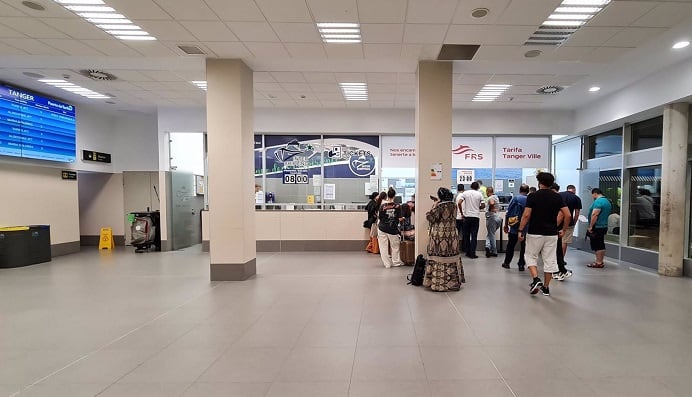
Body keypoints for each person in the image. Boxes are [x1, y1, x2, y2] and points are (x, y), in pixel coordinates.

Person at [518, 172, 571, 297]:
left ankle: (536, 279)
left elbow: (526, 215)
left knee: (530, 256)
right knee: (550, 260)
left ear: (539, 183)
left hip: (535, 232)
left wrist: (520, 230)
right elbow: (567, 214)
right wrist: (563, 229)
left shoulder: (532, 196)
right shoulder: (557, 197)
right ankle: (546, 288)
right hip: (552, 233)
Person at [423, 187, 465, 291]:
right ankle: (453, 283)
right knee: (452, 258)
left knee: (438, 258)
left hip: (439, 236)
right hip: (452, 236)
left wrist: (434, 205)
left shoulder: (440, 206)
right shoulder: (454, 205)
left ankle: (438, 283)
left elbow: (431, 217)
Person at [501, 184, 529, 270]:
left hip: (514, 226)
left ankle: (507, 262)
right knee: (524, 247)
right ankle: (521, 264)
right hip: (526, 227)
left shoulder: (515, 198)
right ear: (527, 191)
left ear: (519, 190)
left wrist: (506, 225)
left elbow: (508, 212)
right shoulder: (529, 199)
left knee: (511, 245)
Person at [377, 187, 404, 268]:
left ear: (387, 196)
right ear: (394, 196)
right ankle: (396, 262)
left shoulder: (382, 206)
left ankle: (387, 264)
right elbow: (399, 218)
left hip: (382, 228)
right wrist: (402, 218)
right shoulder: (397, 206)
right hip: (392, 229)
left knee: (383, 247)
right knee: (395, 246)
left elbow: (380, 217)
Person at [558, 184, 582, 277]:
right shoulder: (576, 198)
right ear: (574, 190)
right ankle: (561, 260)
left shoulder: (559, 195)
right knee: (565, 241)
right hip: (568, 223)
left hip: (557, 222)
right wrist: (574, 222)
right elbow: (577, 213)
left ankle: (555, 259)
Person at [586, 188, 611, 268]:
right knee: (601, 243)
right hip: (604, 225)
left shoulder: (598, 201)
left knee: (597, 245)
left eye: (592, 195)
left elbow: (594, 214)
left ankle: (598, 262)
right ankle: (600, 261)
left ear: (595, 194)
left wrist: (591, 226)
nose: (592, 197)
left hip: (597, 226)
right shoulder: (607, 201)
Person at [550, 183, 571, 281]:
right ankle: (561, 269)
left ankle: (557, 271)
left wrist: (554, 227)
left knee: (553, 251)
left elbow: (562, 214)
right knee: (557, 250)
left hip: (553, 229)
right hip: (556, 229)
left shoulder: (556, 198)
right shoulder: (559, 197)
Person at [459, 181, 484, 258]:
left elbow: (459, 203)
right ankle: (472, 253)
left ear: (471, 186)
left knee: (466, 235)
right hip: (475, 217)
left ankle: (467, 252)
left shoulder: (465, 193)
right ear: (478, 187)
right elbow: (483, 205)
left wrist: (462, 213)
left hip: (467, 217)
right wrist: (477, 208)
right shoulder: (480, 194)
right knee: (474, 236)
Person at [484, 186, 501, 257]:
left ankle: (494, 251)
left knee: (492, 234)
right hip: (498, 218)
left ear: (488, 192)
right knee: (491, 233)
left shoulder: (490, 198)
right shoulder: (496, 197)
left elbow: (491, 203)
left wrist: (491, 209)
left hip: (491, 218)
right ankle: (487, 246)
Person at [455, 184, 465, 252]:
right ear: (463, 189)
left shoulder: (455, 196)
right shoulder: (464, 196)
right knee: (465, 234)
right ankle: (464, 248)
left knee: (456, 233)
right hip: (463, 217)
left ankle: (455, 248)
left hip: (457, 217)